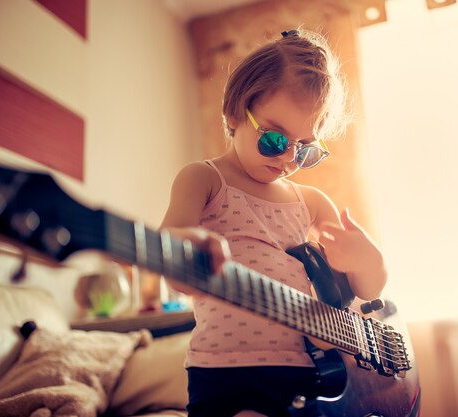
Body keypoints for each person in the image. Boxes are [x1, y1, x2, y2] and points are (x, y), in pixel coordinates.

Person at [160, 28, 387, 417]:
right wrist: (186, 246)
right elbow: (170, 257)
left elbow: (357, 293)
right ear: (234, 112)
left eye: (304, 149)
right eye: (275, 140)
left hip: (309, 371)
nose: (286, 160)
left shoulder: (312, 202)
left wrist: (368, 262)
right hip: (225, 370)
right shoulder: (203, 179)